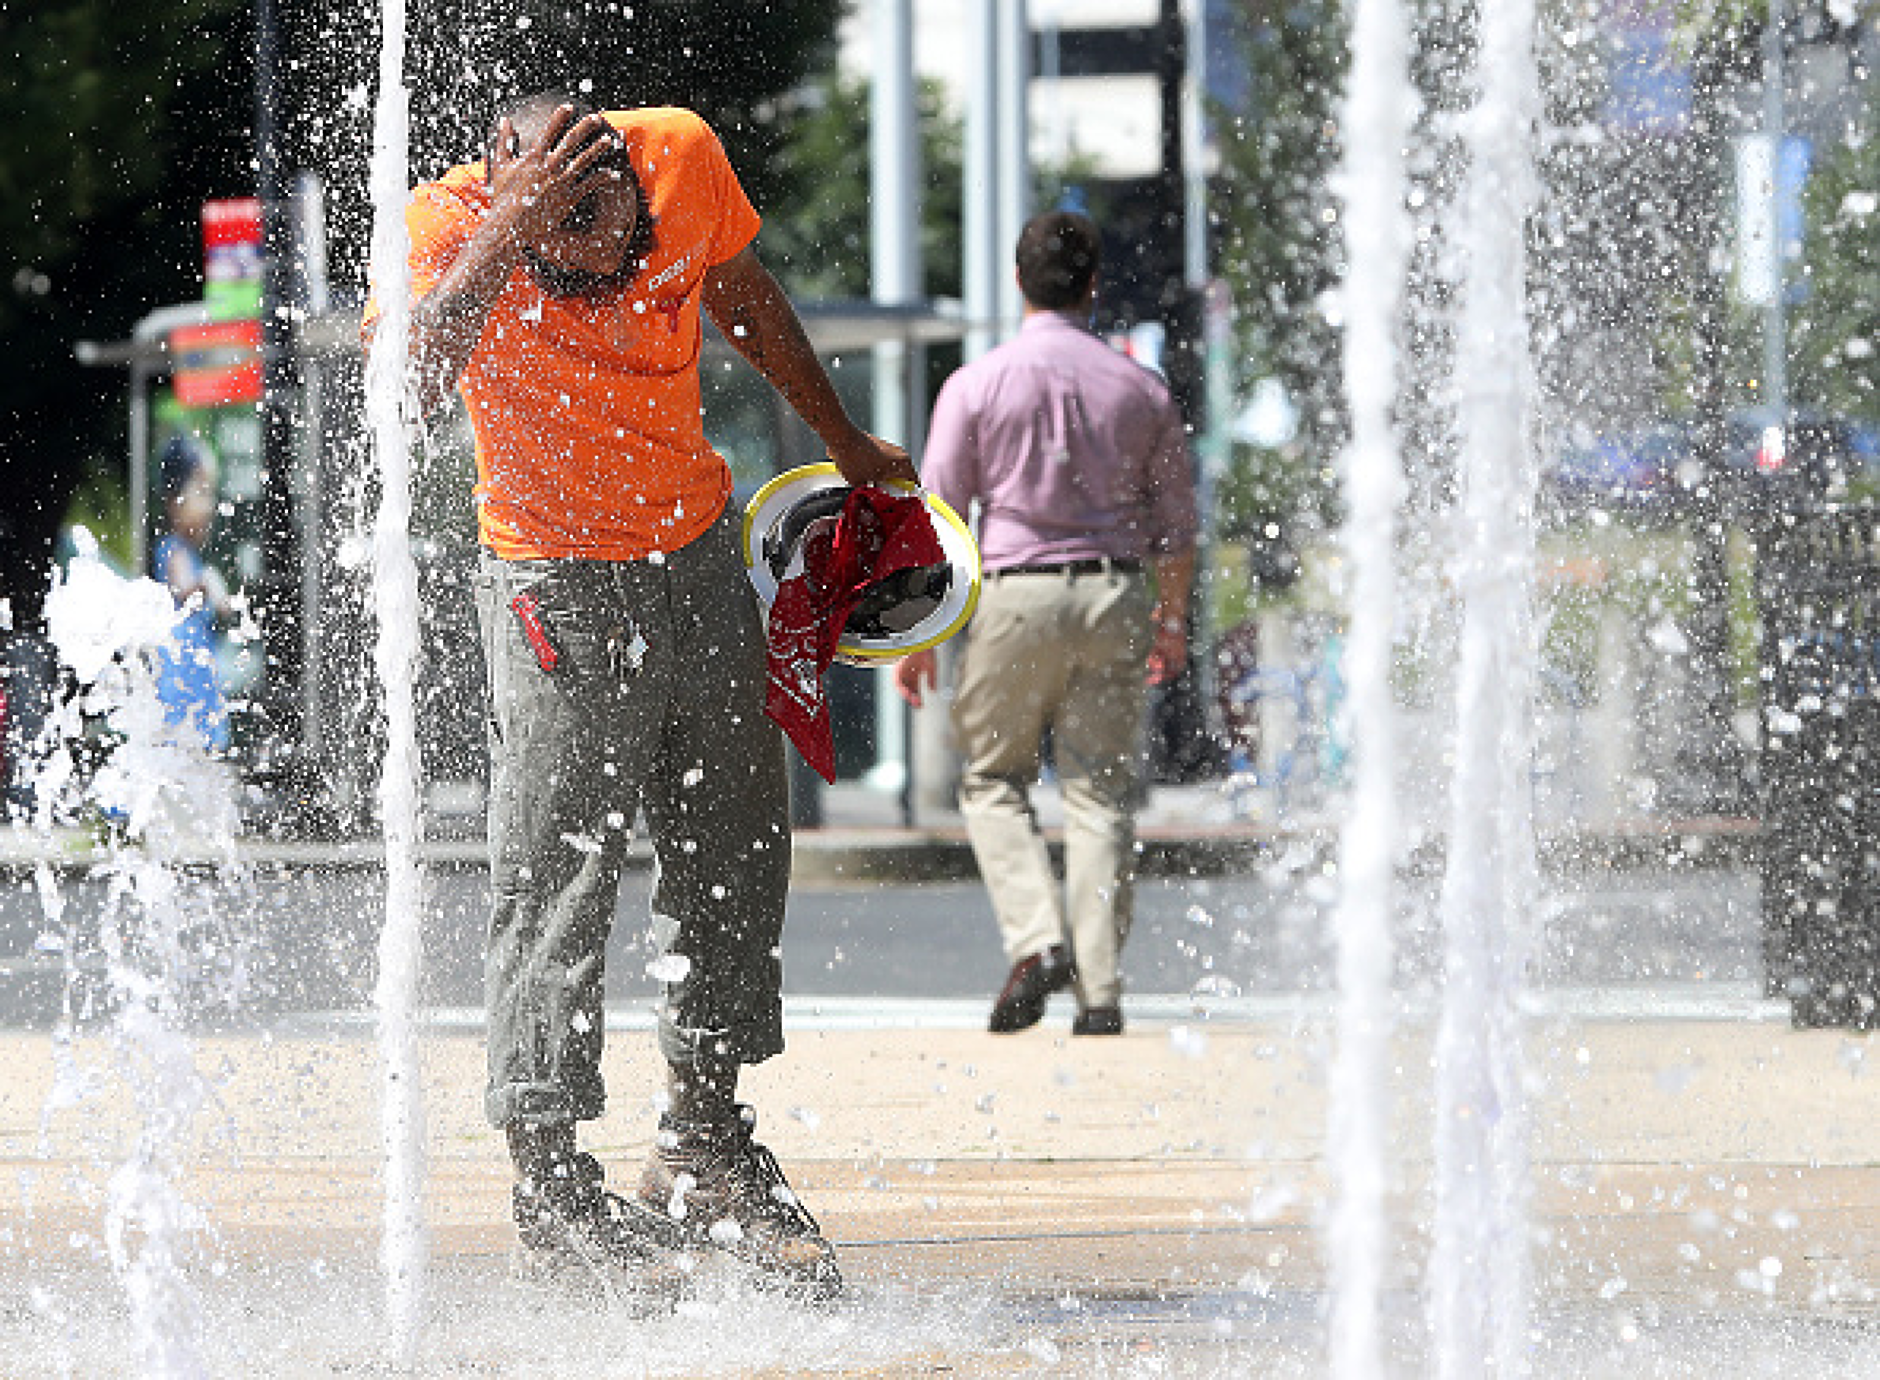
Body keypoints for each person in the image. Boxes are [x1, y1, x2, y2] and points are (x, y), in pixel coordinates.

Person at [393, 90, 915, 1295]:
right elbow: (408, 393)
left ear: (637, 182)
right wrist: (499, 234)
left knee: (734, 846)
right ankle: (551, 1188)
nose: (593, 254)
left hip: (690, 556)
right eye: (555, 230)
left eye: (607, 224)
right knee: (556, 871)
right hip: (551, 587)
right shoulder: (444, 230)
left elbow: (739, 294)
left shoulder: (681, 156)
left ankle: (703, 1149)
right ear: (508, 195)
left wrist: (839, 438)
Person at [894, 210, 1198, 1039]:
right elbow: (1176, 524)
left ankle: (1037, 940)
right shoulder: (1141, 389)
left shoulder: (977, 384)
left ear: (1019, 283)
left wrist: (920, 639)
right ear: (1094, 285)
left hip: (1014, 595)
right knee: (1100, 792)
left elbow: (943, 519)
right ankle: (1099, 993)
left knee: (994, 781)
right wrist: (1170, 620)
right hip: (1114, 593)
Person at [151, 432, 233, 754]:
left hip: (196, 679)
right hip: (181, 685)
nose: (209, 505)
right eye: (201, 492)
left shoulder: (188, 554)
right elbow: (183, 588)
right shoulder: (174, 551)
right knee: (185, 755)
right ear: (174, 501)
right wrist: (208, 583)